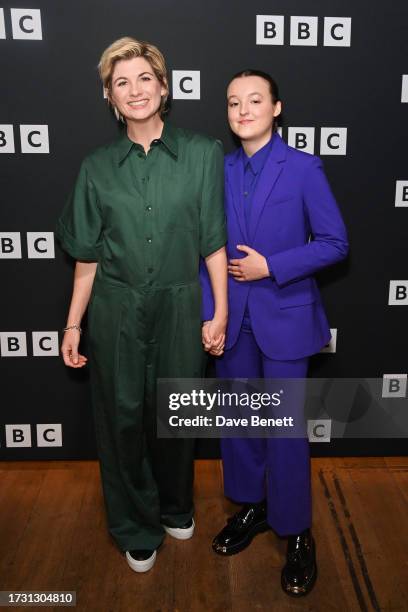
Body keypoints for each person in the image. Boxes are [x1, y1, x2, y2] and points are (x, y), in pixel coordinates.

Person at [56, 37, 227, 573]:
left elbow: (213, 241)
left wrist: (217, 310)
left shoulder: (202, 153)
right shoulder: (97, 166)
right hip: (116, 310)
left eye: (144, 78)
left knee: (177, 415)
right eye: (121, 82)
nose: (134, 90)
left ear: (164, 86)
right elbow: (85, 257)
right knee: (123, 419)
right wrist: (72, 325)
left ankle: (176, 505)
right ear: (109, 96)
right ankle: (135, 525)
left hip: (181, 304)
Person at [201, 69, 348, 596]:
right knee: (240, 428)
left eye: (255, 100)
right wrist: (209, 313)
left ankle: (296, 531)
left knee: (284, 432)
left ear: (277, 108)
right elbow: (207, 250)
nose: (243, 110)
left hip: (284, 317)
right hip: (231, 320)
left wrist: (274, 266)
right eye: (234, 102)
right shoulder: (215, 171)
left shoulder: (304, 168)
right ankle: (254, 509)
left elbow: (335, 242)